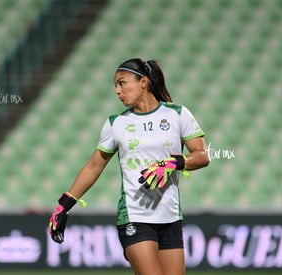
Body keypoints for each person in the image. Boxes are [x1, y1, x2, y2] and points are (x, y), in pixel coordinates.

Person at [48, 58, 210, 275]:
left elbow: (202, 156)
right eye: (115, 85)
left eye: (122, 83)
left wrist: (174, 162)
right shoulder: (116, 124)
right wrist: (64, 204)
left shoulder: (178, 114)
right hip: (134, 217)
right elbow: (94, 166)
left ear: (143, 82)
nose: (117, 90)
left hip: (170, 217)